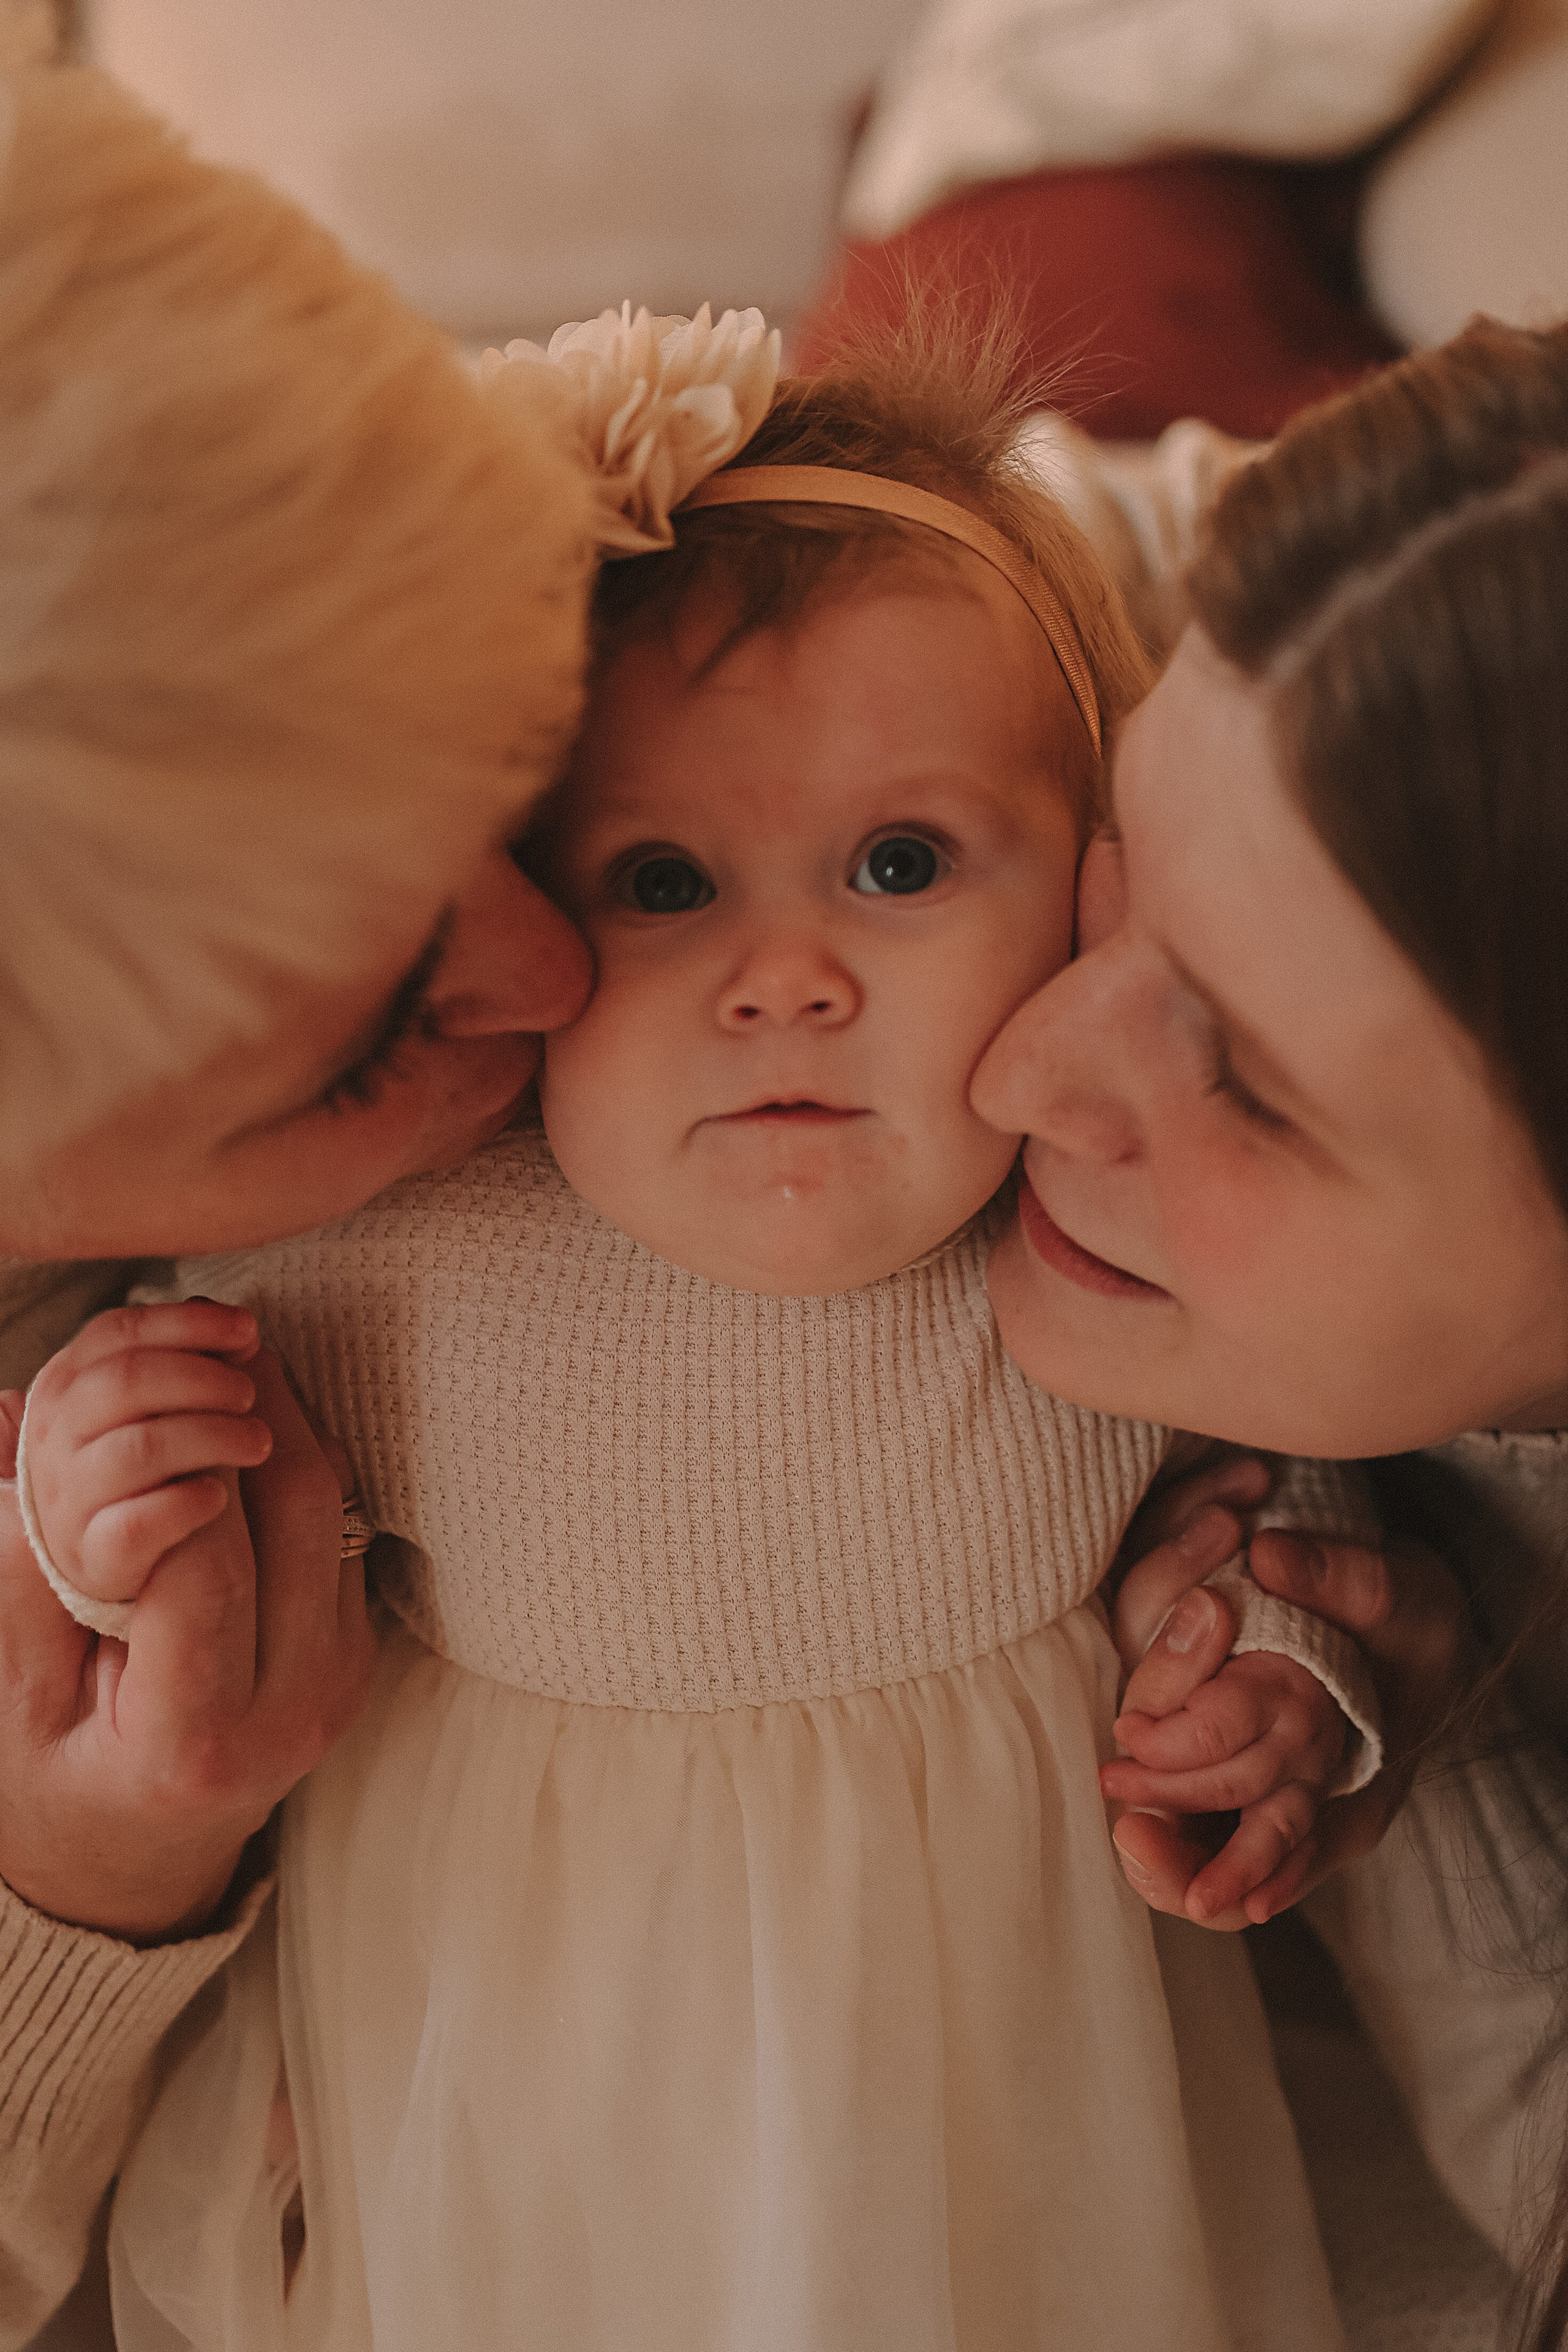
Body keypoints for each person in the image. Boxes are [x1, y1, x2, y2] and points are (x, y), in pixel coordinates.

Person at [12, 322, 1388, 2352]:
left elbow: (1317, 1507)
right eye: (663, 882)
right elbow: (140, 1461)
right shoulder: (384, 1236)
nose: (786, 981)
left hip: (1001, 2136)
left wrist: (1286, 1680)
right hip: (500, 2138)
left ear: (1100, 898)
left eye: (900, 864)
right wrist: (78, 1506)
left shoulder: (1103, 1239)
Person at [0, 59, 597, 2344]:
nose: (557, 972)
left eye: (528, 783)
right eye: (363, 1046)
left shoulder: (306, 574)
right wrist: (79, 1884)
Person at [969, 314, 1568, 2306]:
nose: (1019, 1070)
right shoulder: (1408, 629)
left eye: (1242, 1080)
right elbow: (1035, 536)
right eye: (1126, 863)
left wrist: (1440, 1727)